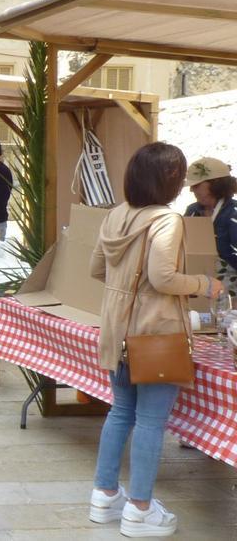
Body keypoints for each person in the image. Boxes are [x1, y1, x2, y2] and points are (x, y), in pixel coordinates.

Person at [88, 142, 224, 537]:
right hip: (156, 331)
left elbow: (97, 267)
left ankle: (104, 495)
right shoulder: (167, 220)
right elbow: (163, 278)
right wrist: (204, 284)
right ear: (168, 179)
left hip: (117, 329)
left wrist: (124, 293)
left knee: (119, 412)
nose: (184, 183)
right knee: (150, 421)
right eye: (180, 175)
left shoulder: (116, 215)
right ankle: (140, 509)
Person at [184, 156, 237, 297]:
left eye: (196, 185)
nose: (191, 190)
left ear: (215, 184)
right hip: (197, 284)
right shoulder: (192, 211)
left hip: (231, 289)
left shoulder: (234, 213)